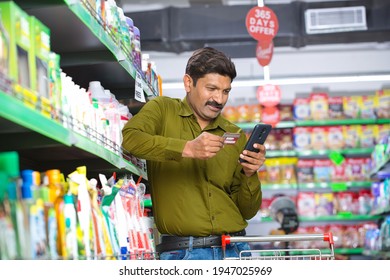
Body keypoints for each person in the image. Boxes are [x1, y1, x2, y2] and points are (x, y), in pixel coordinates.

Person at [121, 47, 266, 260]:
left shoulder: (234, 134)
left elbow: (247, 211)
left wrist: (249, 174)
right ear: (188, 83)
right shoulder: (162, 110)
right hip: (184, 253)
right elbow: (131, 139)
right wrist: (187, 148)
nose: (219, 99)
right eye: (212, 88)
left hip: (235, 250)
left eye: (226, 91)